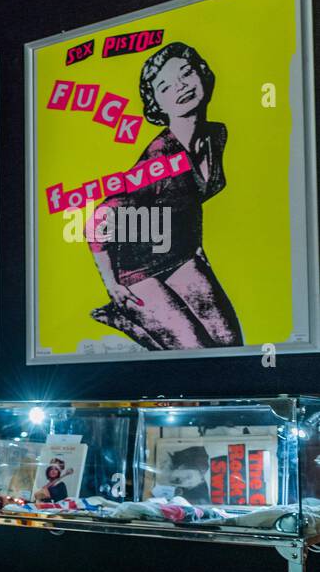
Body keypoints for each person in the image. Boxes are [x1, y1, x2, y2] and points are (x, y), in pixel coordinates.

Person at [87, 41, 242, 350]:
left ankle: (132, 319)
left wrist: (196, 250)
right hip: (136, 269)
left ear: (203, 75)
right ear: (156, 104)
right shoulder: (160, 158)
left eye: (186, 73)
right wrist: (112, 284)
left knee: (231, 346)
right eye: (165, 86)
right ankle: (122, 313)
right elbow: (99, 220)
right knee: (194, 350)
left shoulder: (216, 136)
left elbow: (186, 200)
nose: (181, 87)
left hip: (180, 256)